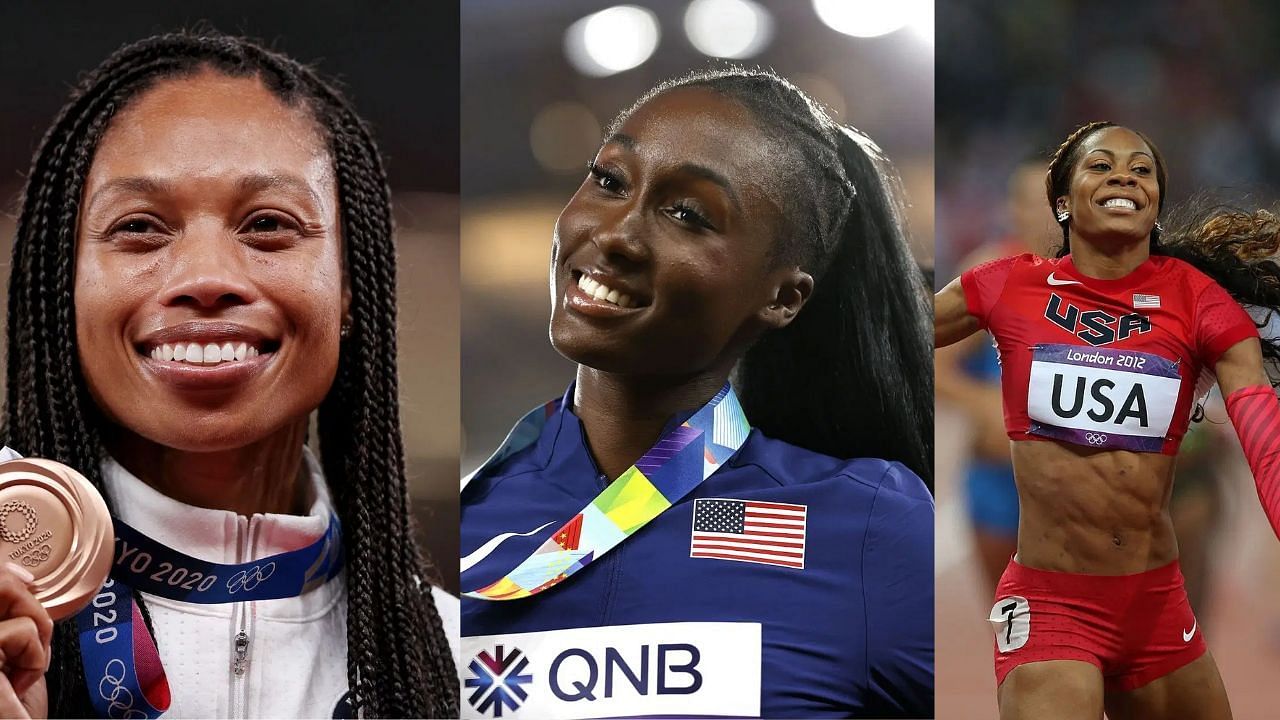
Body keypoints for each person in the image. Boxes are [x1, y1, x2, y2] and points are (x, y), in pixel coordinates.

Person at [0, 32, 457, 718]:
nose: (206, 278)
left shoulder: (463, 671)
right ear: (61, 287)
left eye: (268, 224)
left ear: (349, 288)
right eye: (141, 228)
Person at [460, 68, 934, 719]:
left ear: (782, 296)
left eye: (687, 215)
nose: (616, 234)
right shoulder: (460, 526)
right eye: (609, 180)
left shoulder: (868, 528)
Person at [934, 120, 1280, 719]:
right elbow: (886, 334)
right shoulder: (1006, 283)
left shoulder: (1200, 300)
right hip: (1051, 605)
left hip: (1156, 604)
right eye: (1101, 165)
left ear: (1155, 206)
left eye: (1142, 169)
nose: (1124, 174)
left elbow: (1261, 429)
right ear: (1062, 202)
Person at [935, 158, 1056, 595]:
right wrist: (984, 403)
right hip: (999, 477)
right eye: (1029, 202)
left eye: (1051, 200)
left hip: (1076, 483)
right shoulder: (989, 271)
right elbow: (932, 360)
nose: (1042, 212)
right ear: (1012, 208)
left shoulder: (1105, 276)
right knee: (1012, 624)